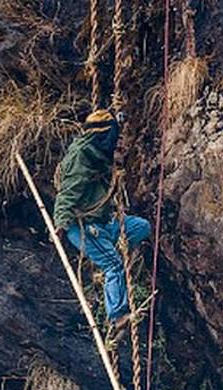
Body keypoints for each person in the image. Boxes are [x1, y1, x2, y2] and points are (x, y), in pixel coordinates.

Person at [53, 109, 151, 339]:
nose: (119, 144)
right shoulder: (82, 156)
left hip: (104, 222)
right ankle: (117, 316)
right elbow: (68, 192)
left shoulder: (98, 152)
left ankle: (109, 256)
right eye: (115, 138)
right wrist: (61, 223)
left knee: (141, 227)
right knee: (114, 265)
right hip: (83, 227)